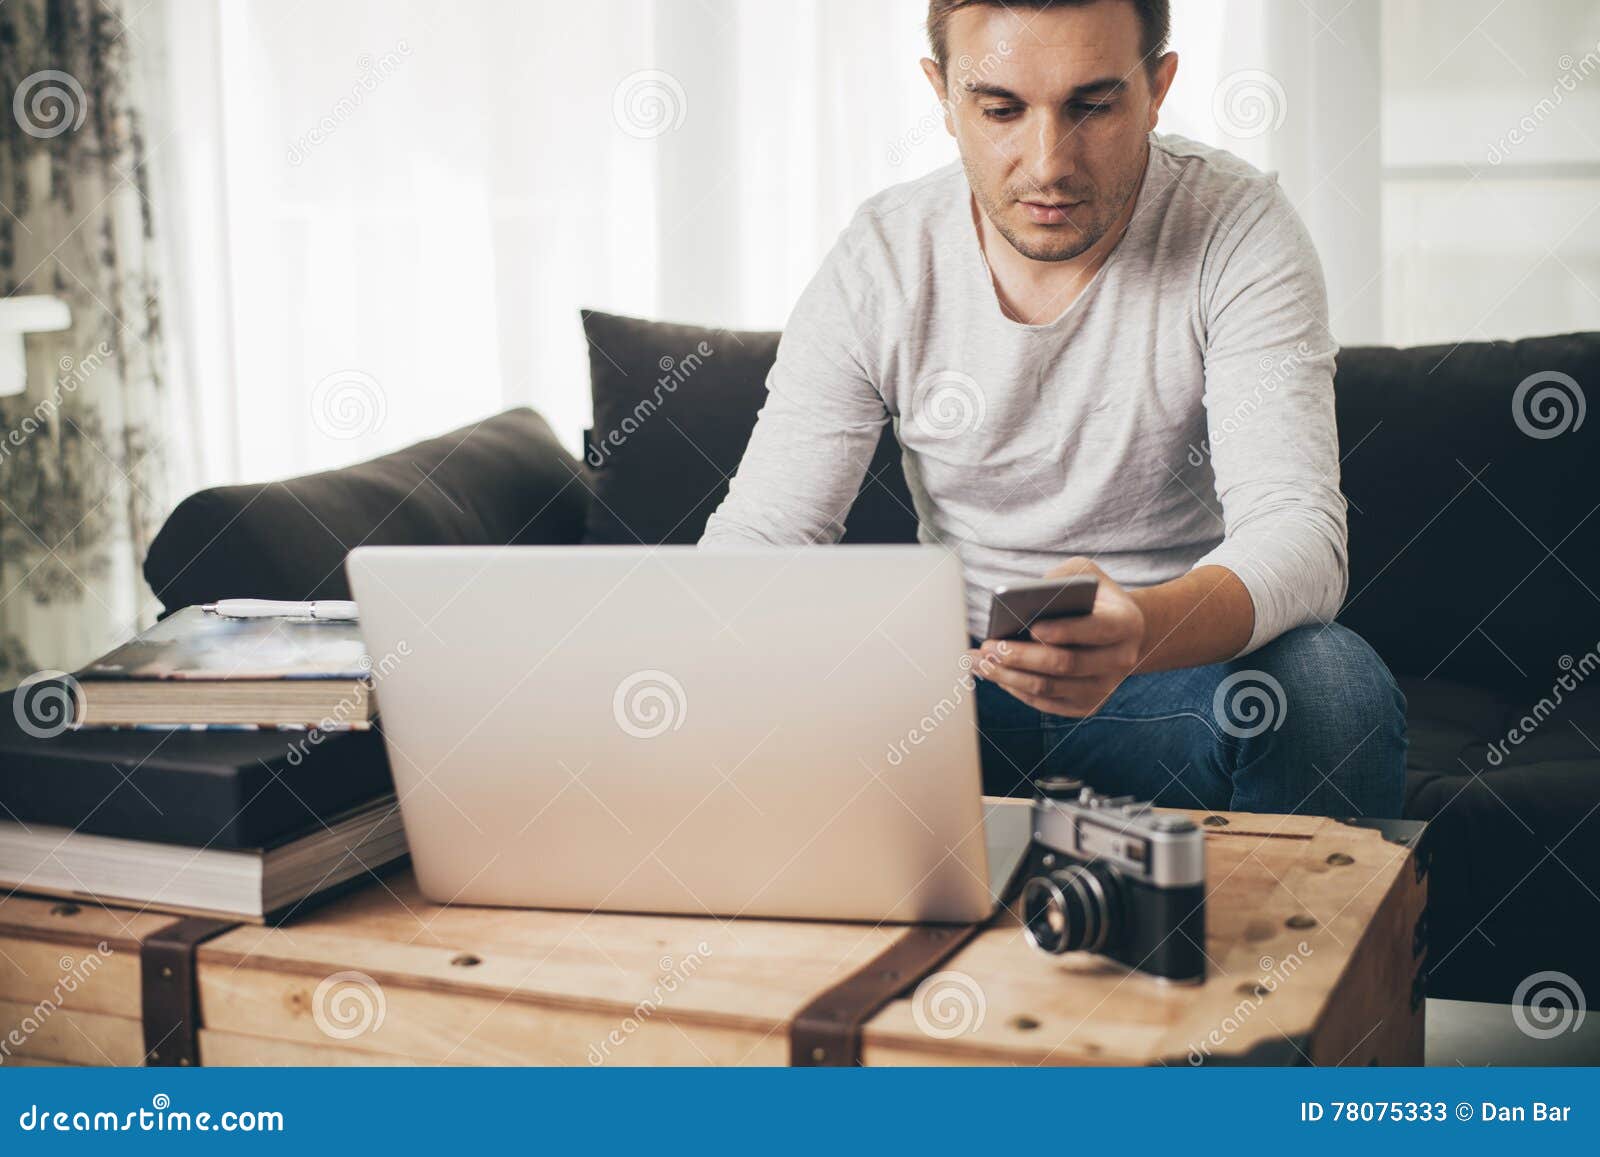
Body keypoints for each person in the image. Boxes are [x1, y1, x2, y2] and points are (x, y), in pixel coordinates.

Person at [700, 0, 1406, 818]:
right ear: (943, 95)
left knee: (1329, 684)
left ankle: (1300, 953)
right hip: (945, 694)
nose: (1048, 164)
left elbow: (1301, 535)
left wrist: (1139, 629)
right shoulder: (885, 255)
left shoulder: (1236, 227)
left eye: (1093, 105)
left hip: (1163, 682)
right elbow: (765, 537)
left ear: (1158, 87)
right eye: (1000, 109)